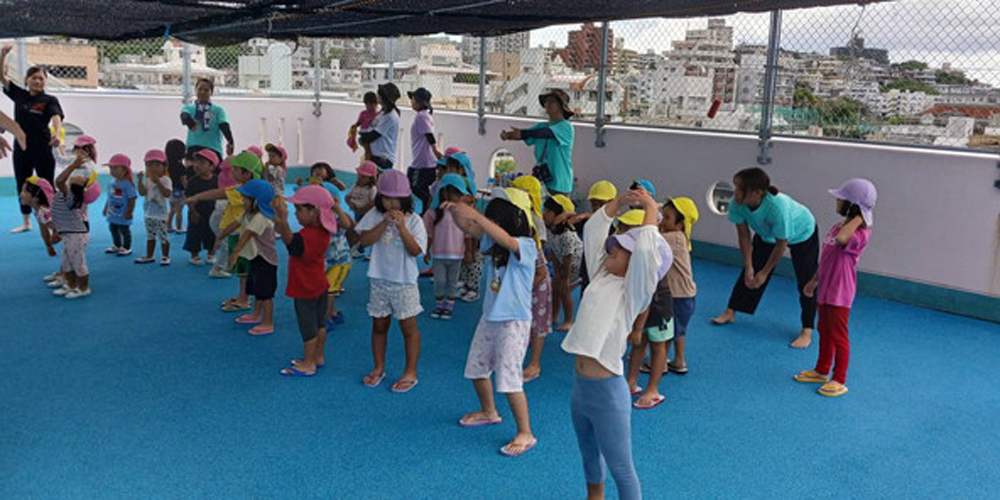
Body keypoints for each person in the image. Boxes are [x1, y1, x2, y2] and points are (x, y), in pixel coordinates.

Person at [561, 189, 665, 500]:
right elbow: (594, 230)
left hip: (607, 394)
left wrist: (648, 209)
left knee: (621, 468)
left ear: (634, 265)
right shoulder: (602, 276)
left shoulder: (633, 292)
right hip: (581, 390)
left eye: (618, 252)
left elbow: (647, 255)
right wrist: (619, 203)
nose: (609, 254)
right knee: (589, 458)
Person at [448, 188, 538, 457]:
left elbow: (508, 240)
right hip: (490, 317)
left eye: (497, 219)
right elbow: (469, 227)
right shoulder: (494, 245)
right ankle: (489, 411)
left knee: (509, 378)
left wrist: (475, 214)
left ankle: (526, 432)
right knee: (476, 368)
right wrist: (456, 212)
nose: (493, 225)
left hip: (513, 322)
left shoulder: (527, 246)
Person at [711, 167, 820, 349]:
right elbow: (744, 236)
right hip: (767, 236)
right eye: (736, 187)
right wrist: (749, 266)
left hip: (802, 232)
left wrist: (764, 272)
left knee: (806, 281)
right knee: (751, 271)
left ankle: (807, 330)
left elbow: (781, 244)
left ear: (758, 192)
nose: (735, 192)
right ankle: (731, 311)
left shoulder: (777, 208)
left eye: (740, 188)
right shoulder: (738, 203)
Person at [795, 178, 876, 397]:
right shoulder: (837, 227)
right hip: (827, 288)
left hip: (841, 292)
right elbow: (827, 257)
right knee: (824, 330)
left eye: (842, 199)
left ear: (852, 204)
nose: (837, 202)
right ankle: (821, 370)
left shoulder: (859, 233)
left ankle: (839, 378)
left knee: (839, 335)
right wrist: (814, 281)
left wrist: (859, 217)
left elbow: (842, 239)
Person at [355, 170, 427, 393]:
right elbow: (363, 241)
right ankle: (378, 367)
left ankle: (410, 372)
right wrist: (384, 224)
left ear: (405, 198)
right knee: (379, 325)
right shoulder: (375, 215)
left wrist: (402, 227)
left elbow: (416, 251)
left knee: (408, 327)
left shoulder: (414, 220)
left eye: (396, 198)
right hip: (379, 279)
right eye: (386, 198)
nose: (390, 203)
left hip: (404, 282)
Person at [272, 186, 337, 377]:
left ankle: (309, 364)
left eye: (300, 210)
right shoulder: (321, 231)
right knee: (320, 324)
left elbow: (291, 244)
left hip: (305, 288)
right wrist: (280, 219)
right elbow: (289, 237)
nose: (296, 213)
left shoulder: (308, 236)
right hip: (319, 285)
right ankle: (318, 357)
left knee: (308, 328)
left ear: (315, 212)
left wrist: (283, 219)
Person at [2, 46, 64, 233]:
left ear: (45, 82)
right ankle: (26, 221)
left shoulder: (50, 99)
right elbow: (2, 77)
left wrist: (57, 133)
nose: (37, 81)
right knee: (22, 183)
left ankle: (51, 221)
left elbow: (56, 117)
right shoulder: (19, 94)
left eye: (41, 78)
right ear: (27, 80)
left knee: (46, 182)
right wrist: (3, 55)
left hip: (43, 148)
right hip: (22, 148)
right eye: (34, 78)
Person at [193, 151, 263, 308]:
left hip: (245, 234)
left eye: (236, 169)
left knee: (247, 268)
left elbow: (221, 194)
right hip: (240, 231)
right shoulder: (244, 187)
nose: (232, 172)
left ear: (247, 173)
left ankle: (246, 299)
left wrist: (197, 197)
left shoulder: (247, 190)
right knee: (243, 269)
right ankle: (243, 296)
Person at [642, 197, 699, 377]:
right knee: (679, 330)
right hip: (686, 295)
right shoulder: (681, 238)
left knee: (665, 329)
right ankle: (679, 361)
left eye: (666, 218)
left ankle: (659, 363)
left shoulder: (674, 238)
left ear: (680, 224)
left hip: (676, 295)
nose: (662, 221)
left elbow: (649, 239)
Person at [509, 175, 551, 384]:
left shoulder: (534, 220)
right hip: (526, 279)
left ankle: (535, 363)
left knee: (537, 323)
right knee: (523, 321)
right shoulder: (519, 216)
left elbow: (539, 264)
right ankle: (520, 356)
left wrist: (527, 287)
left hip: (536, 282)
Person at [499, 89, 575, 195]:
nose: (547, 104)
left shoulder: (566, 126)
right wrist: (508, 135)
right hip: (542, 180)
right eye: (546, 101)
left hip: (560, 183)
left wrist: (523, 133)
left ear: (561, 106)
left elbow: (544, 133)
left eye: (552, 101)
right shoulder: (541, 126)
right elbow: (525, 134)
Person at [228, 179, 278, 336]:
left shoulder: (261, 218)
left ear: (256, 201)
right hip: (257, 257)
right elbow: (236, 225)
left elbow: (247, 235)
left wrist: (235, 253)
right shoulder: (249, 214)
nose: (242, 201)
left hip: (266, 261)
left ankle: (268, 322)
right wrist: (220, 237)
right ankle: (256, 315)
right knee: (257, 289)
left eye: (245, 198)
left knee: (266, 294)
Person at [423, 173, 469, 320]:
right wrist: (426, 251)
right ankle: (439, 305)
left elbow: (468, 234)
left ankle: (449, 306)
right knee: (440, 281)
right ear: (444, 192)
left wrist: (469, 252)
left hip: (457, 254)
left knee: (453, 282)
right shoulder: (433, 213)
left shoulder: (464, 213)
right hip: (438, 254)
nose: (459, 196)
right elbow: (429, 233)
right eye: (456, 192)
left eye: (460, 194)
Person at [50, 161, 97, 299]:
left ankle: (83, 288)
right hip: (67, 234)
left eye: (82, 175)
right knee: (66, 263)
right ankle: (71, 285)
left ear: (83, 184)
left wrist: (73, 166)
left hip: (76, 235)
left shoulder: (70, 195)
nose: (77, 174)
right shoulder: (65, 192)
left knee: (78, 262)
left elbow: (59, 180)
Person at [319, 183, 357, 331]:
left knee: (329, 291)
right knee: (328, 290)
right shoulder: (318, 214)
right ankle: (332, 313)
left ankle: (326, 318)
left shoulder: (336, 215)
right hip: (326, 260)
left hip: (340, 261)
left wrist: (337, 208)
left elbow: (347, 225)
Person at [544, 194, 583, 332]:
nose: (544, 214)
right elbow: (554, 251)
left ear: (560, 215)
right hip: (561, 262)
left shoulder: (566, 233)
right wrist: (556, 272)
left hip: (574, 265)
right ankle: (554, 315)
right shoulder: (550, 229)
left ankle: (568, 321)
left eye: (548, 211)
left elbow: (569, 256)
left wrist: (565, 278)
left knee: (564, 291)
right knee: (555, 287)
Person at [407, 88, 443, 212]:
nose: (411, 101)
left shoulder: (421, 116)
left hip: (422, 162)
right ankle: (426, 209)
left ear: (418, 101)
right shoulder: (425, 115)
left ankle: (428, 202)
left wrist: (436, 150)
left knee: (413, 184)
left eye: (413, 99)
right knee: (419, 186)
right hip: (425, 161)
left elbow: (429, 135)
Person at [135, 150, 173, 266]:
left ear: (164, 166)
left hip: (161, 215)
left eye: (157, 165)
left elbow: (167, 194)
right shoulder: (148, 180)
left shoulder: (166, 179)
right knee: (150, 236)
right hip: (148, 213)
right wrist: (140, 181)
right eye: (149, 165)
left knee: (163, 236)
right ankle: (149, 256)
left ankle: (165, 256)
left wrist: (159, 182)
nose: (153, 168)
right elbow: (142, 193)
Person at [180, 78, 234, 159]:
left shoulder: (218, 110)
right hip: (194, 147)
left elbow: (224, 125)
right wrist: (190, 122)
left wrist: (230, 141)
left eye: (206, 90)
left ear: (211, 92)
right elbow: (184, 115)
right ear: (195, 90)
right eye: (200, 89)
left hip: (212, 149)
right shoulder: (190, 108)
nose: (202, 92)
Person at [19, 177, 60, 284]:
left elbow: (60, 227)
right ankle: (64, 272)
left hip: (73, 233)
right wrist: (48, 245)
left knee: (69, 255)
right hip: (66, 234)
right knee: (66, 254)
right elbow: (43, 229)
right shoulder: (37, 211)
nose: (20, 194)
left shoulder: (45, 212)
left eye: (24, 191)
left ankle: (70, 277)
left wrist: (55, 236)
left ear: (36, 196)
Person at [183, 149, 219, 266]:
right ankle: (194, 255)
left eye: (202, 163)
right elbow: (189, 198)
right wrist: (193, 212)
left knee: (212, 233)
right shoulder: (193, 181)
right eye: (196, 162)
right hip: (196, 213)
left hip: (213, 212)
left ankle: (211, 253)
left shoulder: (216, 180)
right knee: (194, 234)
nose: (197, 165)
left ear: (212, 167)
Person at [359, 83, 401, 171]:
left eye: (379, 94)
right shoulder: (382, 113)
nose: (377, 96)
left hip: (382, 158)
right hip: (374, 155)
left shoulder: (390, 116)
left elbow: (374, 135)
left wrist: (362, 138)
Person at [103, 154, 137, 257]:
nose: (112, 170)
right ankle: (117, 245)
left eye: (115, 168)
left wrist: (130, 211)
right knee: (113, 227)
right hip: (113, 212)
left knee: (124, 229)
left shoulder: (128, 184)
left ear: (125, 169)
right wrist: (106, 208)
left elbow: (132, 198)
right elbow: (110, 197)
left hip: (124, 213)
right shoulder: (112, 182)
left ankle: (126, 247)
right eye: (110, 168)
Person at [165, 139, 189, 233]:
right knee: (179, 210)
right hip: (179, 190)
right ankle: (179, 227)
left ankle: (169, 225)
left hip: (171, 189)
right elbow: (183, 180)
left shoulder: (167, 165)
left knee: (172, 209)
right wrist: (187, 189)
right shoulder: (181, 167)